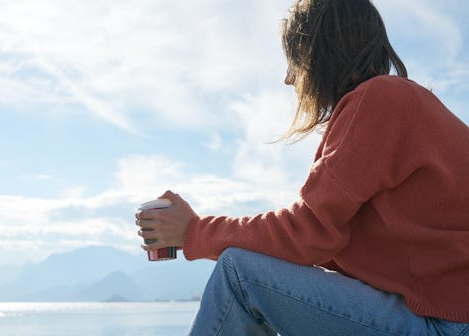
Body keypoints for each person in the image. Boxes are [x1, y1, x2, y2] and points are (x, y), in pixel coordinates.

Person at [134, 0, 469, 335]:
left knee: (239, 273)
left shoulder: (380, 99)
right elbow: (322, 242)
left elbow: (309, 232)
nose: (288, 78)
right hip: (445, 314)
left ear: (319, 53)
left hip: (444, 324)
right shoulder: (402, 105)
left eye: (294, 60)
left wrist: (193, 232)